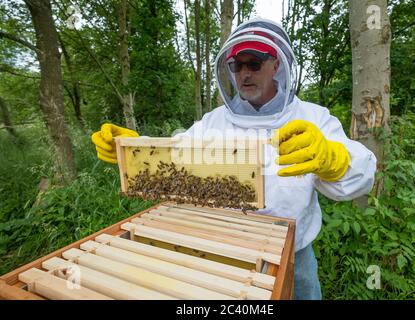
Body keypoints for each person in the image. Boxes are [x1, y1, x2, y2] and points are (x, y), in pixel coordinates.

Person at [91, 18, 376, 300]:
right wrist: (133, 148)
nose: (244, 74)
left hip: (293, 254)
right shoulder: (213, 122)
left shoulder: (314, 118)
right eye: (236, 66)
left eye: (254, 63)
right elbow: (176, 155)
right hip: (225, 250)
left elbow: (362, 175)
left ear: (277, 65)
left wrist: (334, 160)